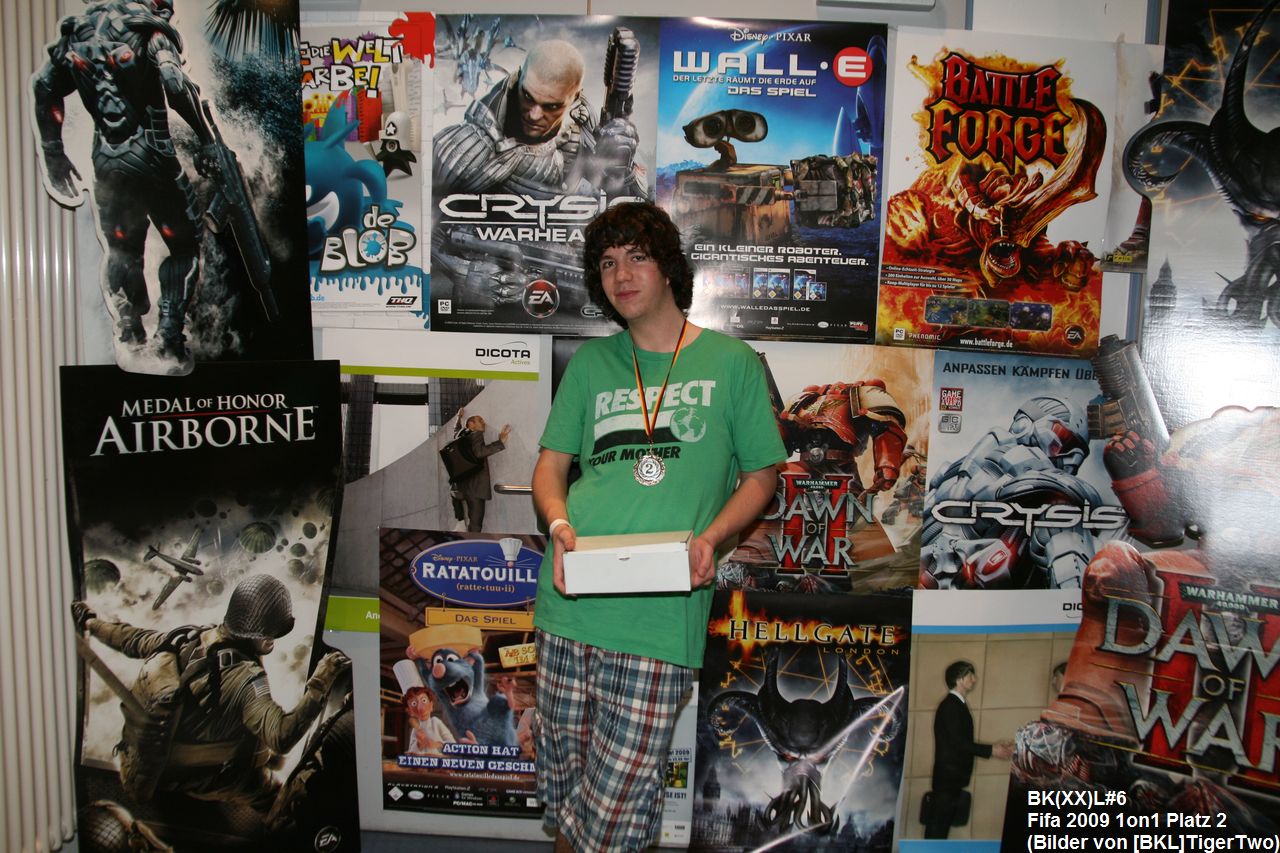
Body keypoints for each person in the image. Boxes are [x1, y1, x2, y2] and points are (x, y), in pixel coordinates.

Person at [531, 201, 786, 851]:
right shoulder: (591, 365)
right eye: (607, 263)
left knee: (612, 812)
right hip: (569, 603)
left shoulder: (732, 363)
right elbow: (550, 467)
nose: (621, 274)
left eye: (637, 256)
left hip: (660, 614)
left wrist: (712, 538)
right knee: (568, 803)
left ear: (667, 266)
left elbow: (761, 476)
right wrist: (558, 524)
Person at [70, 574, 349, 812]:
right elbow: (281, 737)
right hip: (192, 776)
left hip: (144, 760)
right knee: (279, 799)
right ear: (261, 635)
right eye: (272, 635)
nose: (273, 641)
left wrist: (90, 623)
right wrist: (320, 682)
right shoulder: (246, 678)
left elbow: (131, 639)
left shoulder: (186, 638)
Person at [925, 661, 1013, 839]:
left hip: (951, 779)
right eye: (970, 675)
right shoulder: (951, 706)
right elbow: (959, 743)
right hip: (948, 780)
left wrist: (993, 748)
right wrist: (992, 750)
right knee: (937, 831)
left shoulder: (956, 704)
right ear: (959, 680)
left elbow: (959, 742)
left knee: (940, 830)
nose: (974, 679)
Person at [449, 408, 511, 533]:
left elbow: (455, 430)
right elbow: (479, 452)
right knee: (476, 524)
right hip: (476, 488)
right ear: (471, 424)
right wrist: (500, 442)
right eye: (480, 420)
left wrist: (459, 417)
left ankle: (461, 524)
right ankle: (472, 542)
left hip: (461, 486)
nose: (484, 423)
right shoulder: (476, 434)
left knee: (470, 521)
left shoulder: (461, 434)